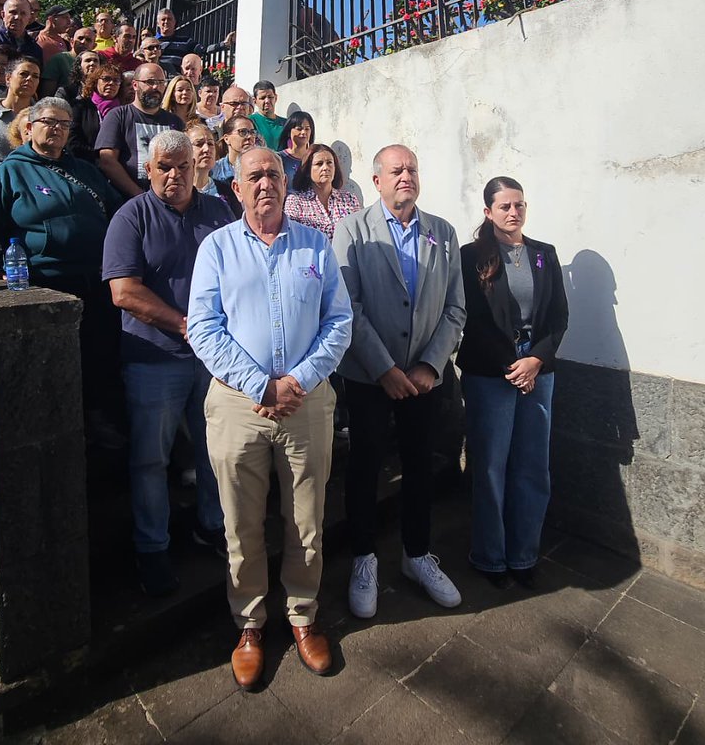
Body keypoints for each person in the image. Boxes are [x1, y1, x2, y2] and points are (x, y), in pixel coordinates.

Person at [187, 148, 353, 688]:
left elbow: (339, 321)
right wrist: (261, 384)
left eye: (274, 175)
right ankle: (250, 625)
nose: (265, 184)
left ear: (288, 184)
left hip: (306, 404)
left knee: (308, 521)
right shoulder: (216, 248)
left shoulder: (316, 245)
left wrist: (297, 381)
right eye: (253, 176)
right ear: (235, 188)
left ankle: (303, 618)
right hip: (239, 405)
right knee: (241, 523)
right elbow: (205, 328)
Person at [332, 145, 466, 619]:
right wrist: (383, 369)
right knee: (366, 464)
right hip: (371, 376)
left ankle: (416, 554)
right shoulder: (351, 230)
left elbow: (455, 308)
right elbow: (347, 305)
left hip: (424, 379)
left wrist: (430, 365)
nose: (406, 175)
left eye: (412, 168)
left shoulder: (442, 233)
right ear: (377, 180)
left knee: (418, 463)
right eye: (396, 170)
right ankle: (364, 557)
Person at [103, 131, 233, 596]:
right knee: (151, 460)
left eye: (182, 165)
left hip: (214, 358)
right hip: (154, 358)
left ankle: (211, 526)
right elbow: (124, 292)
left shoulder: (218, 211)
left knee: (214, 449)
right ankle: (152, 548)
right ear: (149, 169)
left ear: (196, 165)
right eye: (165, 167)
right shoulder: (131, 216)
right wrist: (187, 325)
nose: (174, 174)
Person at [0, 97, 123, 436]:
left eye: (64, 124)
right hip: (49, 280)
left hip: (98, 278)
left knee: (102, 355)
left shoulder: (85, 171)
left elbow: (120, 216)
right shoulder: (10, 172)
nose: (58, 129)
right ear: (29, 127)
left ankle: (100, 421)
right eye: (49, 121)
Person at [458, 177, 568, 589]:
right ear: (488, 212)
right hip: (491, 373)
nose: (513, 212)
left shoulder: (544, 255)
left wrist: (536, 360)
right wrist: (513, 365)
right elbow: (471, 319)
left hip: (538, 373)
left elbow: (559, 317)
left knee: (532, 466)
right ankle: (490, 557)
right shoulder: (473, 256)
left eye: (519, 204)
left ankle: (523, 554)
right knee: (490, 467)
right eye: (504, 206)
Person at [95, 63, 183, 197]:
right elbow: (107, 161)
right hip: (128, 201)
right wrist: (139, 194)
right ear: (135, 85)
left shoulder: (174, 122)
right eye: (150, 82)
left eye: (161, 82)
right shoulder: (118, 116)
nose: (156, 87)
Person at [285, 144, 361, 239]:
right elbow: (292, 237)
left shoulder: (349, 199)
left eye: (329, 163)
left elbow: (360, 232)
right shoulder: (295, 202)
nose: (325, 168)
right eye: (319, 164)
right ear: (308, 171)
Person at [68, 63, 123, 163]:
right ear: (95, 81)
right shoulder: (80, 106)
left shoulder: (124, 111)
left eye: (116, 80)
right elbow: (72, 140)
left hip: (118, 166)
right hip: (85, 164)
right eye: (106, 79)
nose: (111, 83)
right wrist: (98, 157)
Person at [188, 121, 241, 217]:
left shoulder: (227, 190)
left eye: (210, 143)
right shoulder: (179, 191)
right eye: (199, 144)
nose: (206, 149)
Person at [0, 0, 44, 69]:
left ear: (29, 17)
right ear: (3, 15)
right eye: (13, 12)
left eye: (23, 13)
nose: (17, 17)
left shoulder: (34, 48)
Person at [41, 25, 97, 95]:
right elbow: (47, 92)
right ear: (72, 41)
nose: (83, 42)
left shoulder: (95, 63)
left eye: (88, 40)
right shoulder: (59, 59)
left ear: (94, 46)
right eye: (80, 38)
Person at [212, 115, 257, 183]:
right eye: (243, 132)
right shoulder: (214, 171)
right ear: (227, 139)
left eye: (252, 132)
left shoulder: (262, 167)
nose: (249, 136)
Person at [277, 111, 315, 190]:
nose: (303, 132)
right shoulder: (279, 158)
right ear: (289, 132)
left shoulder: (315, 158)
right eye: (299, 129)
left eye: (307, 129)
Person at [249, 80, 287, 150]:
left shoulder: (286, 123)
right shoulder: (250, 122)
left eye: (270, 97)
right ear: (255, 101)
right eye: (262, 98)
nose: (267, 101)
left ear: (276, 98)